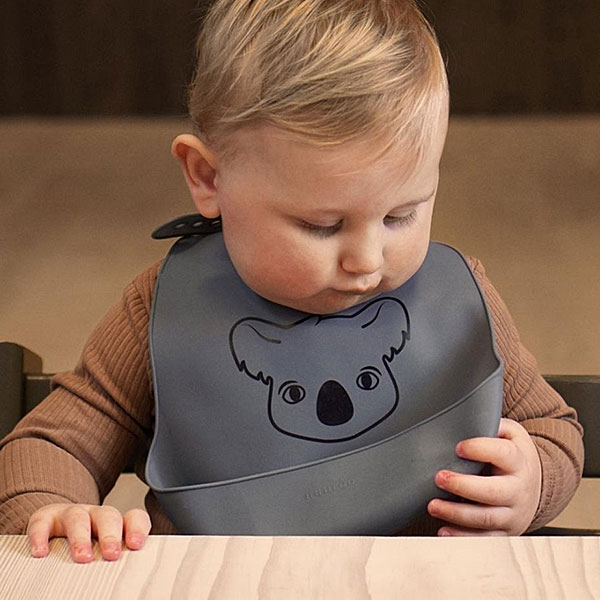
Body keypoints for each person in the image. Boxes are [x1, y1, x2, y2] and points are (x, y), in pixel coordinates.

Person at [0, 0, 583, 563]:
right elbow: (52, 445)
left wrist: (532, 483)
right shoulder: (160, 310)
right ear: (208, 178)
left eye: (401, 215)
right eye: (322, 226)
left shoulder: (459, 298)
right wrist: (56, 509)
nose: (366, 259)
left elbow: (551, 430)